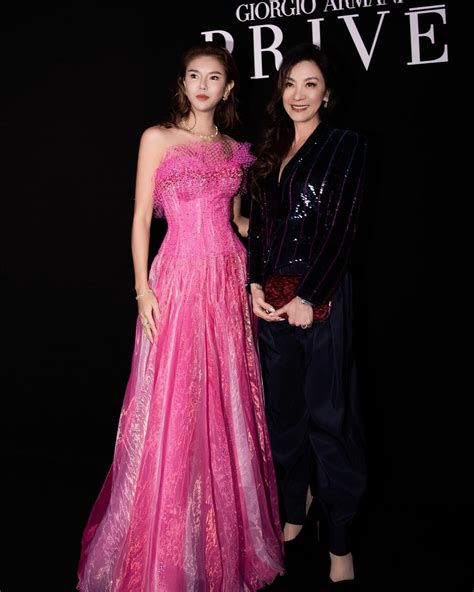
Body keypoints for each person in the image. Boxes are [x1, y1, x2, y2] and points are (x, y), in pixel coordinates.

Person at [77, 41, 284, 592]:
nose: (202, 85)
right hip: (178, 279)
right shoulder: (158, 138)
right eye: (194, 75)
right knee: (175, 401)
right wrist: (141, 288)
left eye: (213, 77)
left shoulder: (235, 150)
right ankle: (168, 546)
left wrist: (284, 247)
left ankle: (221, 542)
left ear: (228, 87)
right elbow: (141, 218)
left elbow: (237, 222)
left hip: (227, 281)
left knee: (224, 399)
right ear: (183, 82)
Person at [247, 42, 368, 588]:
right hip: (272, 302)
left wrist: (310, 297)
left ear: (327, 93)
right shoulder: (269, 149)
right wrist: (253, 283)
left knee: (329, 418)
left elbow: (343, 231)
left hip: (320, 299)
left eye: (310, 84)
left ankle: (340, 539)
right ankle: (295, 506)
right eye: (290, 84)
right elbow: (259, 228)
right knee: (284, 416)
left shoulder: (346, 145)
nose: (298, 95)